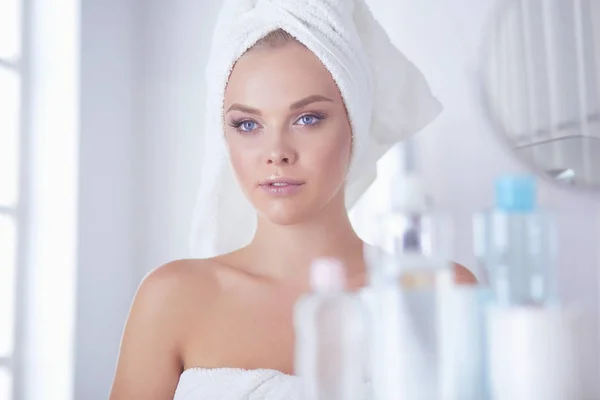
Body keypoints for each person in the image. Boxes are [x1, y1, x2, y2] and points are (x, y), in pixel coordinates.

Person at [109, 1, 476, 399]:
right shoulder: (172, 299)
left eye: (307, 119)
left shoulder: (438, 293)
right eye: (248, 124)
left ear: (355, 122)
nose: (277, 152)